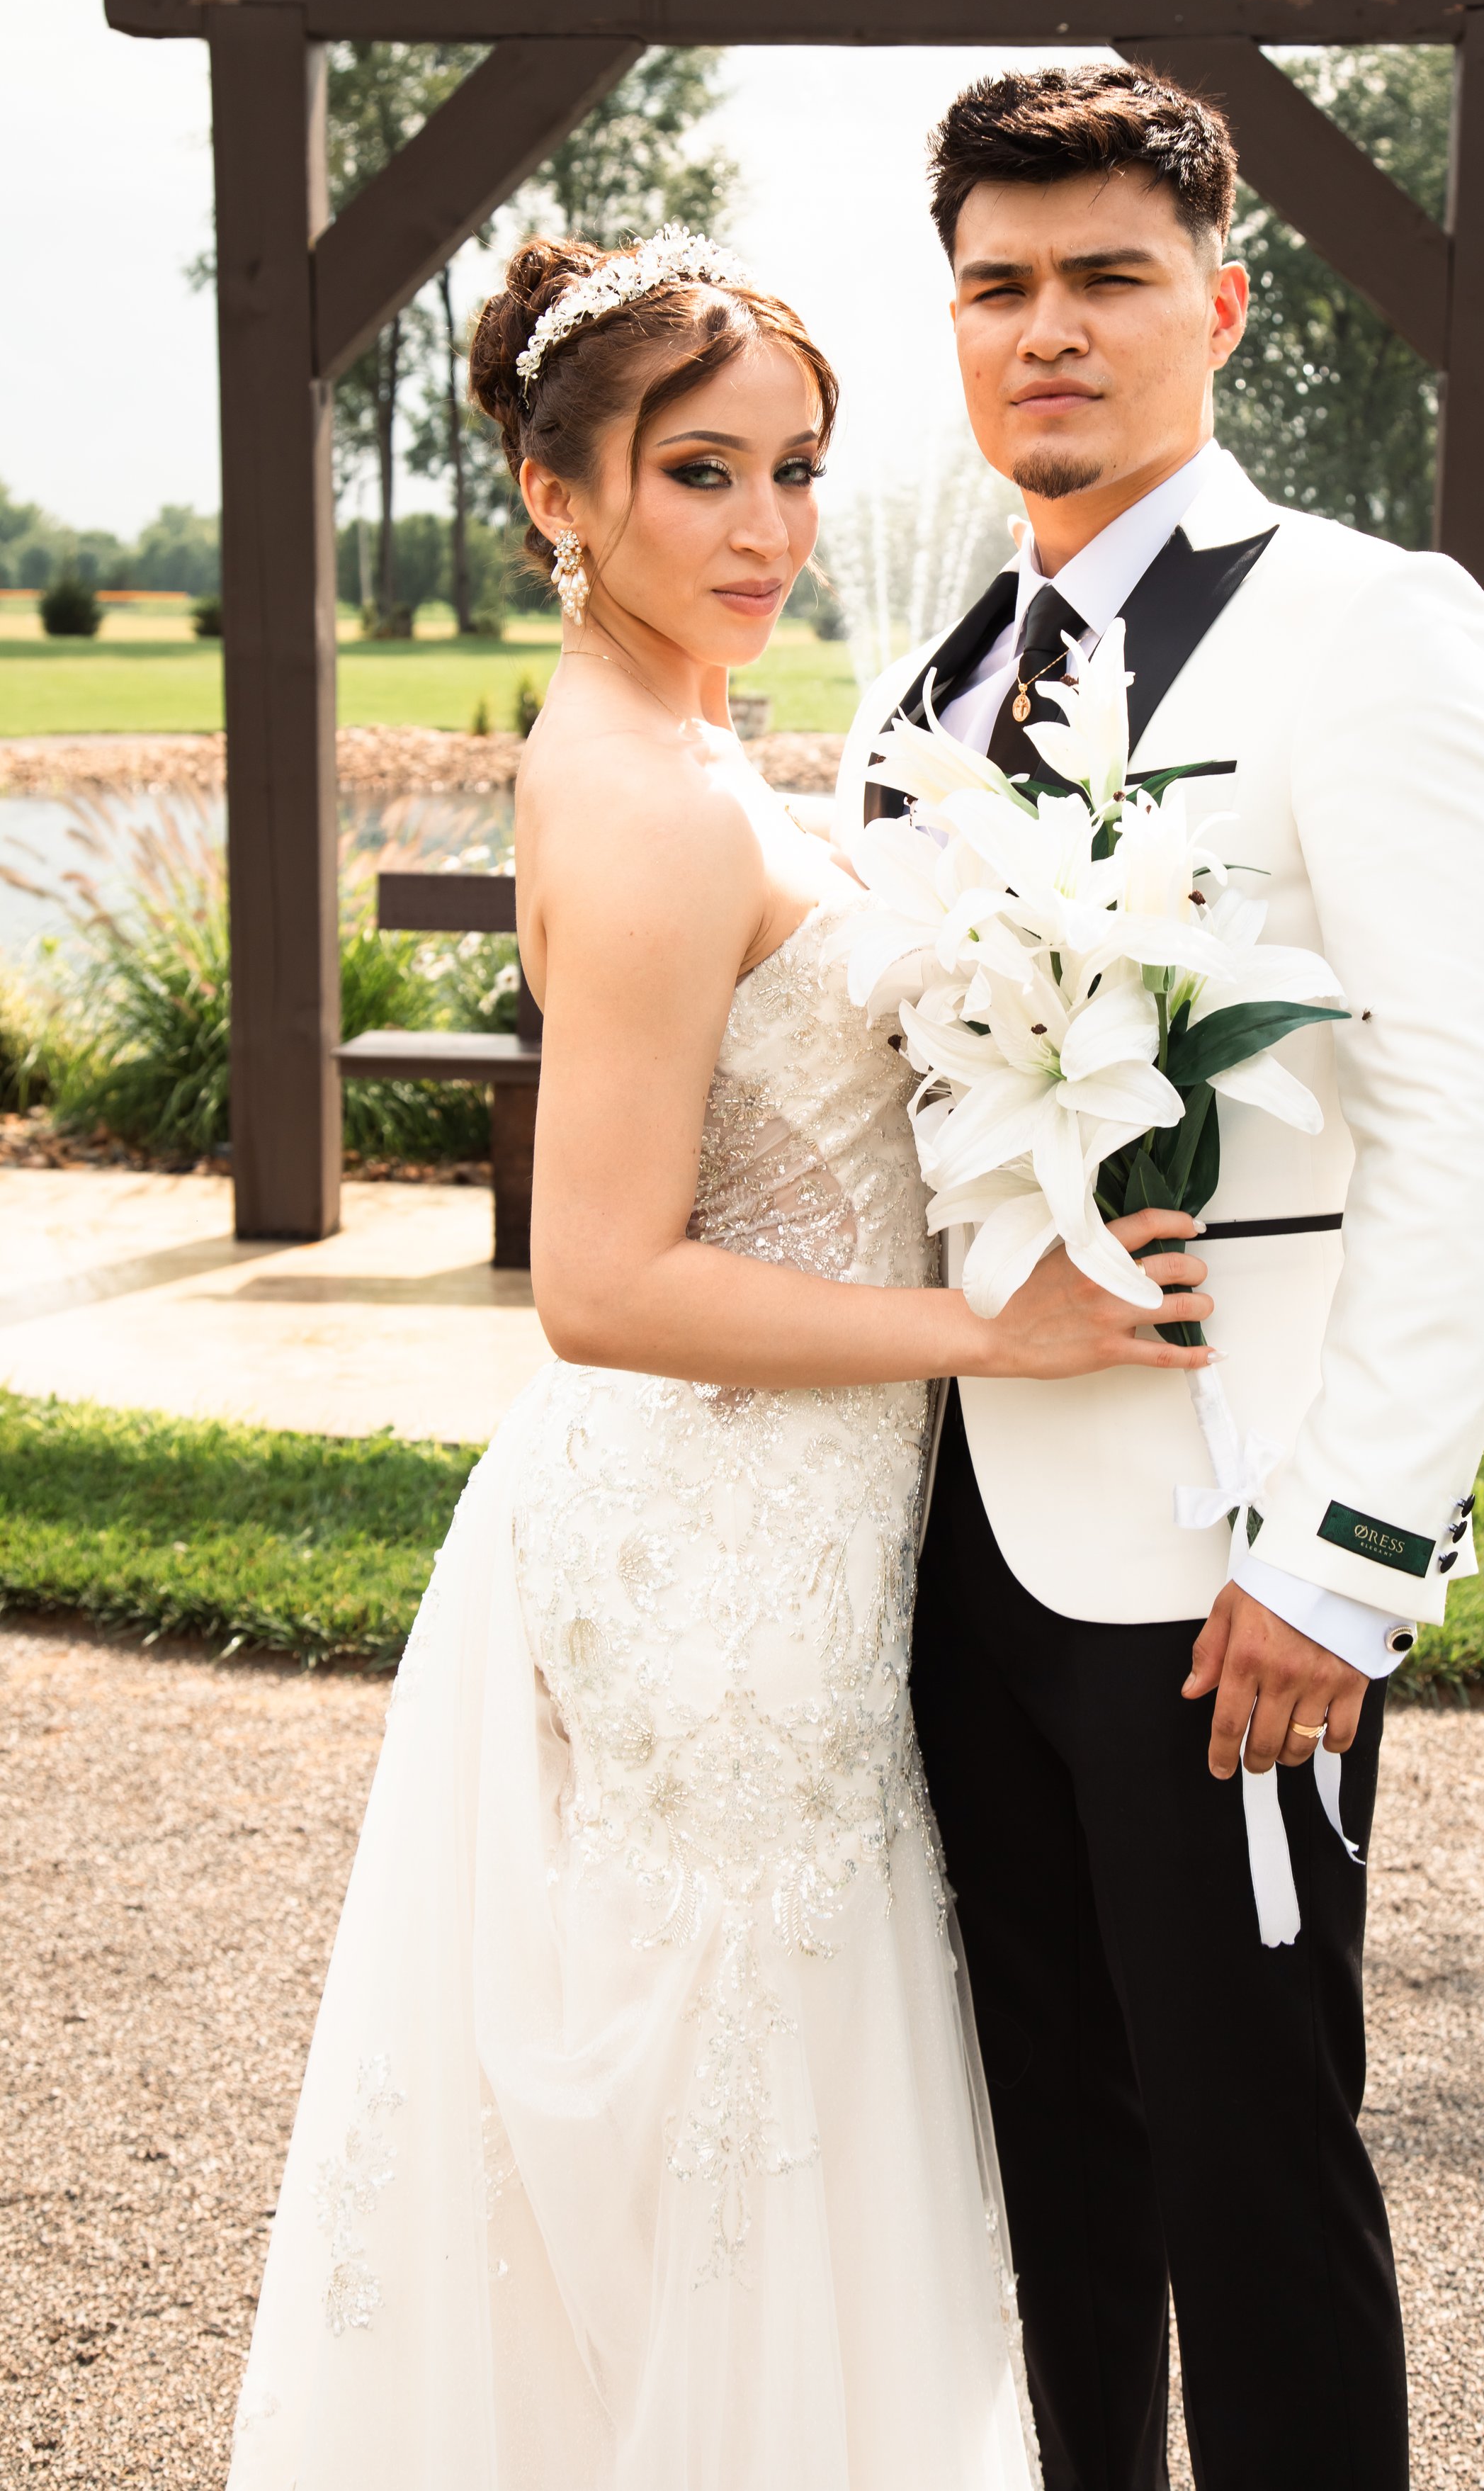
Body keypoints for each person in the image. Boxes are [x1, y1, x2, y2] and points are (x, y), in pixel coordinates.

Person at [227, 227, 1215, 2491]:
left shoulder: (691, 737)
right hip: (709, 1543)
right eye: (701, 476)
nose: (769, 529)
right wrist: (994, 1327)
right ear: (558, 496)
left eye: (795, 470)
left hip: (789, 1520)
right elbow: (600, 1281)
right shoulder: (657, 800)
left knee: (740, 2109)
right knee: (729, 2120)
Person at [834, 67, 1484, 2491]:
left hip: (1223, 1560)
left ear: (1218, 307)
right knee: (1048, 2162)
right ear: (954, 328)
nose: (1048, 331)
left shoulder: (1366, 625)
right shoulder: (923, 697)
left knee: (1251, 2162)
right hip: (957, 1552)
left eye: (1105, 279)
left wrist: (1346, 1566)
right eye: (997, 289)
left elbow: (1467, 1115)